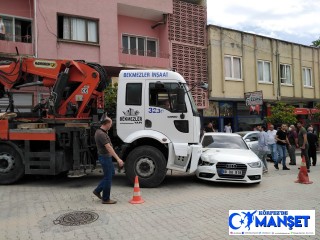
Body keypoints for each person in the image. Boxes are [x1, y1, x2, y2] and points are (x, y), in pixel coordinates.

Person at [93, 116, 124, 204]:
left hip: (106, 157)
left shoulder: (101, 131)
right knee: (108, 178)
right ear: (106, 124)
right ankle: (106, 199)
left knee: (111, 173)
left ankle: (97, 190)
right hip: (105, 158)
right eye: (110, 124)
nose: (111, 125)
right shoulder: (101, 134)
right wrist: (118, 159)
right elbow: (108, 147)